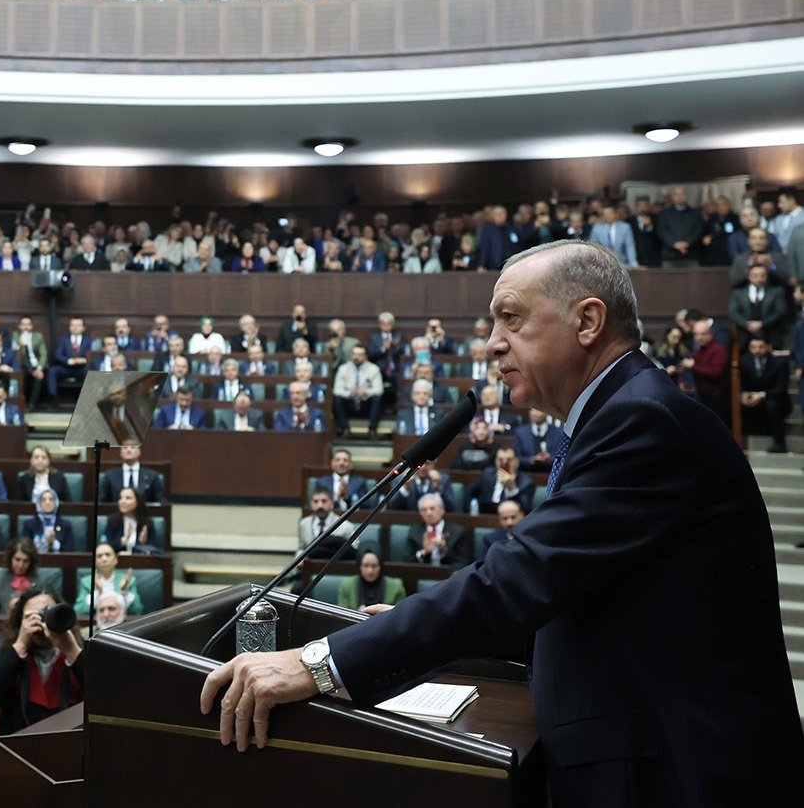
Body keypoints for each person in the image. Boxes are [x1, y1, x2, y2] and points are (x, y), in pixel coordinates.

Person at [200, 240, 804, 807]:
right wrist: (418, 642)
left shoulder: (643, 421)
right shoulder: (618, 414)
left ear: (587, 322)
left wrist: (316, 663)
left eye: (511, 320)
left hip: (686, 771)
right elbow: (584, 599)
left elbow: (522, 577)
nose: (492, 343)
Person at [0, 584, 83, 734]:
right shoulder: (10, 651)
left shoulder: (76, 650)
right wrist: (21, 644)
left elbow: (103, 699)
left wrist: (72, 651)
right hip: (18, 743)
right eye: (31, 616)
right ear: (20, 621)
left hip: (69, 744)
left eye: (47, 613)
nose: (41, 622)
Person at [738, 335, 790, 453]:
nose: (757, 350)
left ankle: (780, 443)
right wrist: (744, 394)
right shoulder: (745, 361)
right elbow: (742, 384)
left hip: (776, 399)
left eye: (761, 347)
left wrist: (762, 395)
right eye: (753, 347)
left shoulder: (779, 362)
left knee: (772, 405)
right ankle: (743, 442)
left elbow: (781, 388)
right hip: (754, 399)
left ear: (768, 347)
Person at [75, 542, 145, 616]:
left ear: (115, 559)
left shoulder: (128, 581)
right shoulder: (87, 582)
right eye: (99, 556)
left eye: (108, 555)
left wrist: (125, 593)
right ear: (94, 561)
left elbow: (137, 610)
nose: (104, 559)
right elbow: (78, 611)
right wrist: (97, 593)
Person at [0, 538, 42, 614]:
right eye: (17, 559)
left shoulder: (39, 580)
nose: (21, 565)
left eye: (25, 561)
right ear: (10, 558)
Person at [470, 446, 536, 513]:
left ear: (517, 461)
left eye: (509, 459)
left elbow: (525, 510)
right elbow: (470, 492)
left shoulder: (526, 483)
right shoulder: (487, 474)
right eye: (500, 459)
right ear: (495, 461)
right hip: (487, 518)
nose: (504, 462)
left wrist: (512, 488)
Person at [336, 550, 406, 612]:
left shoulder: (396, 587)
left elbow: (399, 615)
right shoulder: (347, 585)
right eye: (366, 565)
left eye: (374, 566)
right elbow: (342, 614)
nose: (370, 571)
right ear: (360, 566)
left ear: (380, 566)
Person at [96, 442, 166, 503]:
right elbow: (102, 503)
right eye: (125, 447)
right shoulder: (108, 476)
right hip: (116, 516)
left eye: (133, 447)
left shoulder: (153, 476)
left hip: (143, 516)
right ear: (120, 452)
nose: (128, 450)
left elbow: (159, 503)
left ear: (139, 451)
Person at [102, 487, 159, 553]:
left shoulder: (147, 523)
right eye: (121, 498)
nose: (123, 501)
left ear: (137, 502)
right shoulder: (112, 521)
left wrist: (143, 543)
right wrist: (122, 541)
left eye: (128, 498)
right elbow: (106, 547)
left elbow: (154, 549)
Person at [22, 488, 75, 553]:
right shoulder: (29, 524)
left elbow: (70, 550)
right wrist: (44, 542)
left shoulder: (65, 525)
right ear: (39, 503)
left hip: (60, 561)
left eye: (51, 499)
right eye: (43, 500)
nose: (47, 502)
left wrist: (54, 543)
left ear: (56, 503)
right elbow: (25, 549)